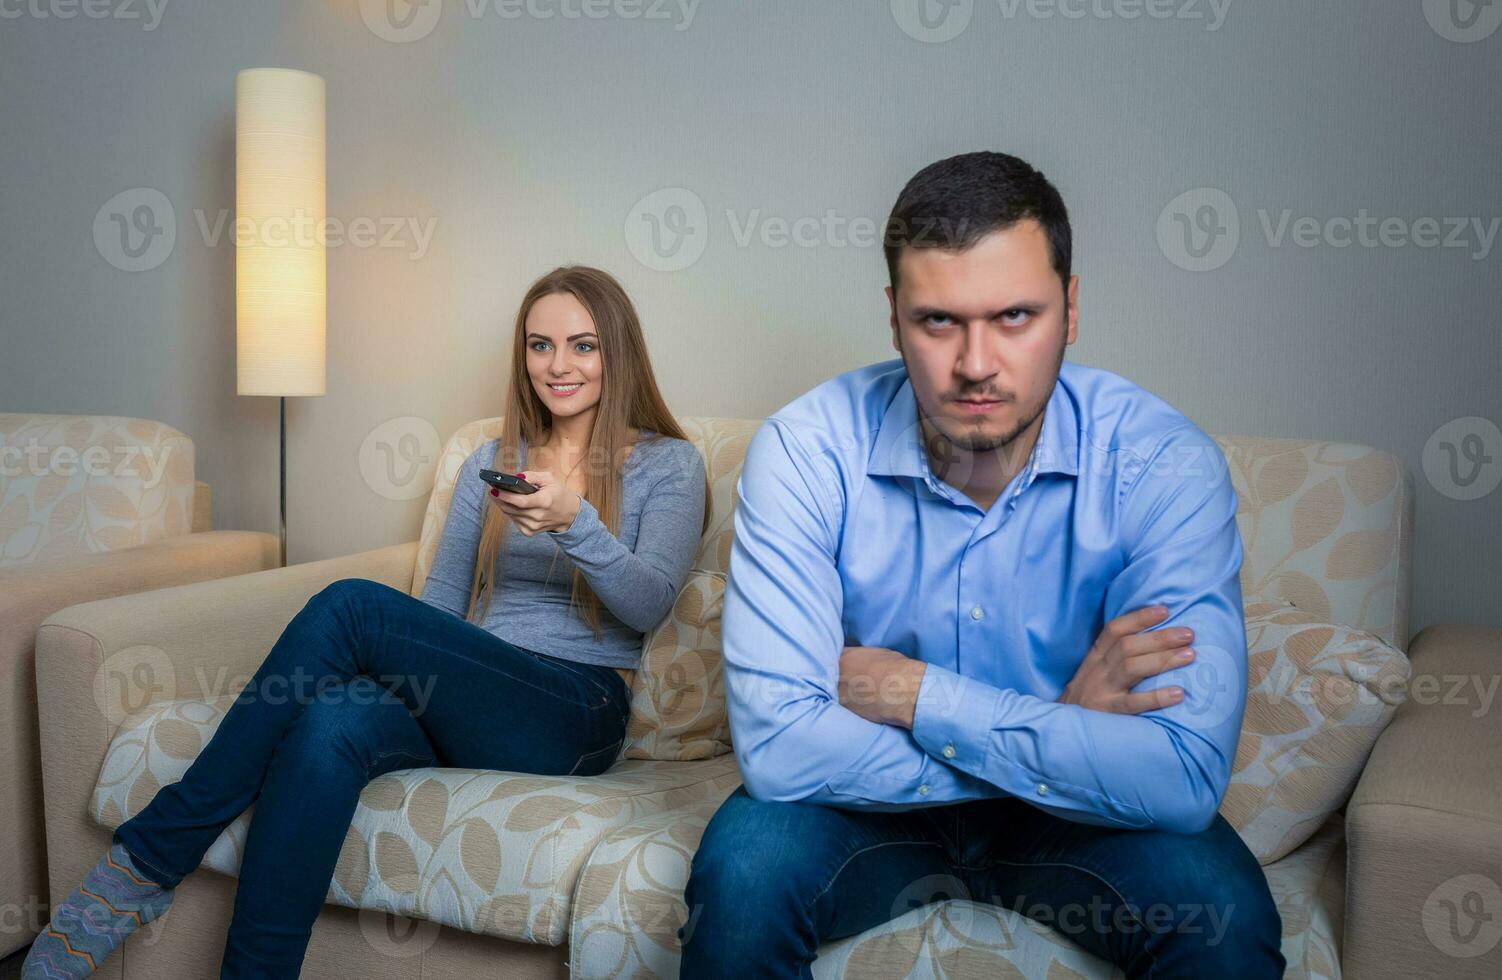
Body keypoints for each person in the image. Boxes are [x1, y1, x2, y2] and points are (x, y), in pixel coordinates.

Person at [678, 152, 1282, 979]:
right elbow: (782, 752)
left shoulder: (1163, 464)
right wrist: (1061, 727)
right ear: (893, 318)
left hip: (1076, 825)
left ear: (1070, 310)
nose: (975, 364)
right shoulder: (807, 449)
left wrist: (913, 693)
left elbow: (1180, 779)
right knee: (742, 876)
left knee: (1224, 916)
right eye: (939, 322)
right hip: (872, 809)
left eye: (1014, 317)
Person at [26, 265, 709, 979]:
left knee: (352, 603)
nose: (558, 365)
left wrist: (577, 523)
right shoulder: (493, 461)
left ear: (617, 351)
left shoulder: (669, 464)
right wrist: (422, 669)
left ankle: (149, 858)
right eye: (541, 345)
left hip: (576, 709)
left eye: (583, 346)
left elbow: (651, 602)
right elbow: (441, 608)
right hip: (476, 695)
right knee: (331, 721)